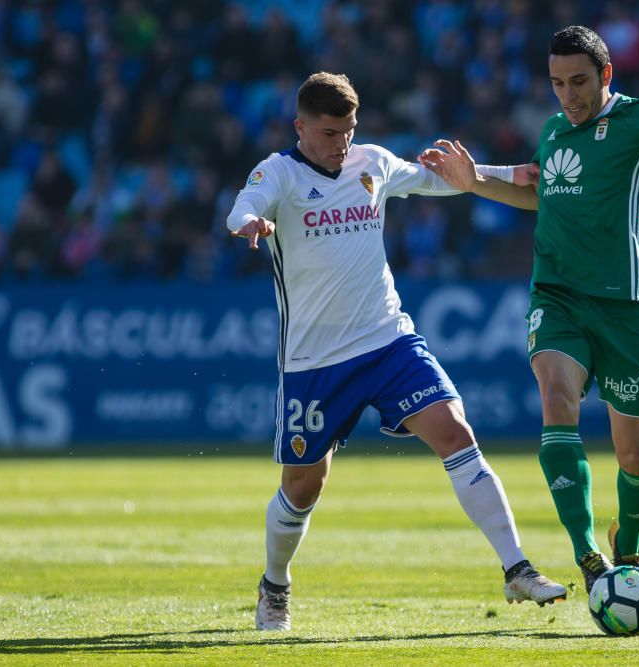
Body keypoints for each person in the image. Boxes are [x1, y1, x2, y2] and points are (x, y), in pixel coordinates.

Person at [225, 72, 566, 631]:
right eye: (331, 132)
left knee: (456, 431)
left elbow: (441, 180)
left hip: (387, 340)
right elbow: (242, 205)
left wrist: (510, 174)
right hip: (314, 361)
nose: (342, 143)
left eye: (350, 131)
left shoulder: (373, 164)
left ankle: (517, 568)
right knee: (303, 486)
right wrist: (250, 224)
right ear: (301, 127)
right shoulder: (279, 173)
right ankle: (275, 585)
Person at [420, 26, 639, 592]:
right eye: (556, 83)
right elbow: (538, 193)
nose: (567, 95)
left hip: (625, 306)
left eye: (578, 82)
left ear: (605, 76)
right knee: (555, 397)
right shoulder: (553, 130)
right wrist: (472, 182)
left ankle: (629, 544)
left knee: (635, 458)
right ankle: (588, 554)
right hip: (557, 295)